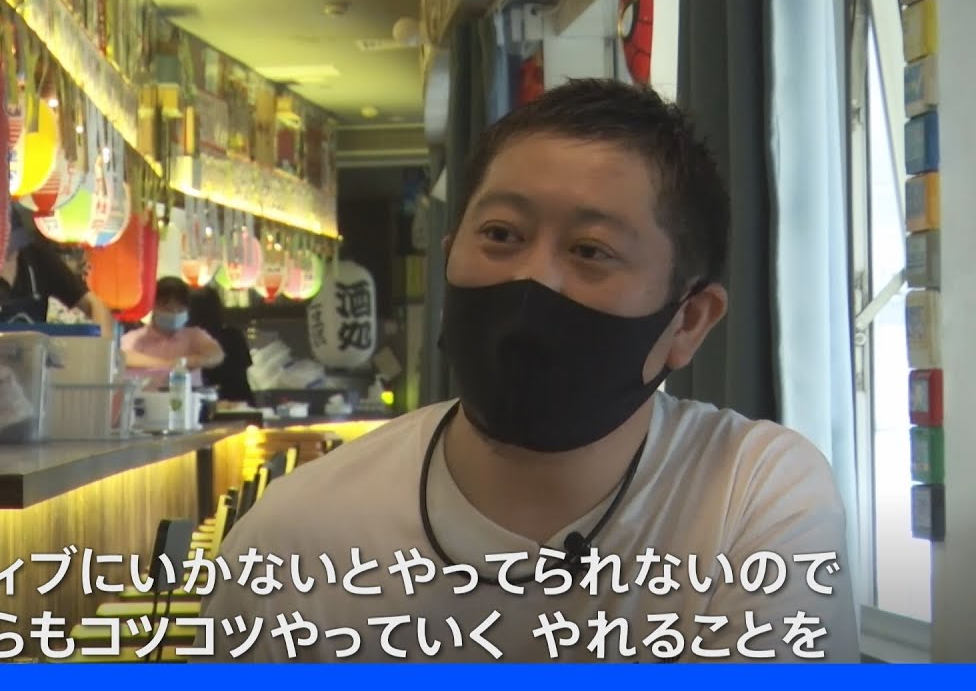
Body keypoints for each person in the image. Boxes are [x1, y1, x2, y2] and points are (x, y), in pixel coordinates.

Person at [198, 79, 858, 662]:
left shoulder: (751, 495)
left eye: (590, 250)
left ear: (689, 321)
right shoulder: (290, 540)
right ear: (449, 259)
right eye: (501, 235)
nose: (532, 278)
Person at [0, 207, 114, 331]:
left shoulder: (36, 257)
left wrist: (102, 348)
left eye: (15, 244)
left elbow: (95, 305)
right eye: (3, 247)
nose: (12, 253)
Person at [120, 276, 225, 387]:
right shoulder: (138, 337)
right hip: (147, 396)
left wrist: (188, 361)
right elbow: (121, 356)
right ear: (153, 306)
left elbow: (217, 355)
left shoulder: (194, 335)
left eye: (180, 309)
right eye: (167, 308)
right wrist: (166, 364)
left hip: (189, 396)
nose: (174, 313)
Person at [187, 286, 255, 405]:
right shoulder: (233, 335)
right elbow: (245, 366)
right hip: (239, 403)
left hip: (204, 404)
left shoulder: (188, 340)